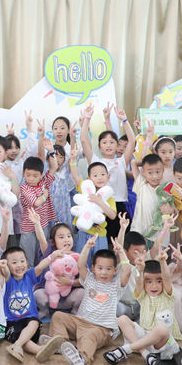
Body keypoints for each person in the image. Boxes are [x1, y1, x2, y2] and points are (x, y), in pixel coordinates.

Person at [34, 237, 131, 365]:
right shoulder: (89, 279)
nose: (104, 272)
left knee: (89, 337)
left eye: (108, 269)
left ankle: (82, 358)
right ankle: (61, 344)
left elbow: (127, 271)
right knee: (58, 316)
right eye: (100, 268)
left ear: (115, 271)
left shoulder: (116, 285)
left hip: (101, 328)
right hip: (80, 322)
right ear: (93, 268)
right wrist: (87, 247)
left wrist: (121, 252)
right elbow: (80, 265)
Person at [104, 253, 182, 365]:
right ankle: (146, 355)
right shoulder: (142, 295)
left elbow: (166, 277)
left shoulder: (168, 295)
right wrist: (140, 270)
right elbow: (139, 281)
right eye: (149, 281)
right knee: (121, 319)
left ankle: (126, 349)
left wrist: (162, 262)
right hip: (144, 336)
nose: (154, 286)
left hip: (162, 342)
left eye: (159, 281)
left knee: (162, 329)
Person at [79, 101, 136, 239]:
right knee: (102, 242)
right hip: (99, 206)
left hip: (119, 204)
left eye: (112, 142)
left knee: (121, 242)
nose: (108, 145)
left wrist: (124, 120)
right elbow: (84, 140)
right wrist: (87, 117)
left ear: (117, 145)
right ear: (99, 146)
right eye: (104, 142)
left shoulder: (121, 161)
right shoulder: (95, 160)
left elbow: (132, 140)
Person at [1, 246, 56, 362]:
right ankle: (40, 350)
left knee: (34, 323)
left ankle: (17, 345)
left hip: (29, 321)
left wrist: (52, 257)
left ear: (27, 262)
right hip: (12, 322)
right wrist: (2, 265)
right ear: (7, 265)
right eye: (14, 262)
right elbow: (5, 272)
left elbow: (41, 266)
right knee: (23, 337)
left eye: (22, 261)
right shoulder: (7, 279)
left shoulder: (29, 276)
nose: (19, 265)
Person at [68, 148, 117, 257]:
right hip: (83, 232)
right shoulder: (86, 190)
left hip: (99, 235)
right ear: (89, 179)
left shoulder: (109, 197)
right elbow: (75, 176)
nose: (99, 178)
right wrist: (73, 159)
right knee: (82, 259)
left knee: (99, 259)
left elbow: (113, 215)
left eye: (102, 174)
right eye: (95, 176)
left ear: (108, 176)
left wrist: (100, 202)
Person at [33, 222, 85, 319]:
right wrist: (37, 223)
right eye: (61, 237)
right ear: (53, 241)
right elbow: (42, 240)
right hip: (50, 297)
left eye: (69, 236)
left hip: (67, 299)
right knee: (38, 294)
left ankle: (74, 312)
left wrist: (70, 282)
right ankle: (44, 311)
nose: (66, 239)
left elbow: (84, 280)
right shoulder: (51, 253)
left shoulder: (77, 257)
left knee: (82, 293)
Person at [19, 154, 57, 266]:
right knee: (28, 255)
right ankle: (28, 273)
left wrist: (51, 151)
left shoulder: (43, 182)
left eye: (35, 176)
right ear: (23, 173)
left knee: (43, 253)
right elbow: (36, 202)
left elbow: (54, 167)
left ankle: (43, 273)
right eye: (28, 175)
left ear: (41, 175)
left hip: (43, 224)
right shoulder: (25, 188)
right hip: (29, 227)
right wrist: (45, 195)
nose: (31, 178)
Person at [130, 153, 166, 243]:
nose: (155, 176)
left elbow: (172, 211)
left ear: (163, 170)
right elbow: (133, 162)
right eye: (150, 172)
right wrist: (146, 161)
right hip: (139, 233)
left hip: (158, 237)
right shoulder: (141, 184)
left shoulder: (166, 190)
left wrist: (169, 210)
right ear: (143, 172)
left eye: (158, 171)